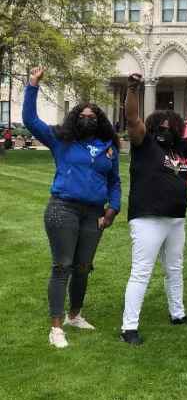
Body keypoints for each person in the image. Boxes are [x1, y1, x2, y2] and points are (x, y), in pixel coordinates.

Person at [22, 66, 121, 349]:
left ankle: (74, 315)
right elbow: (30, 119)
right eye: (82, 116)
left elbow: (115, 181)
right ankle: (55, 328)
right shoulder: (61, 139)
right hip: (63, 209)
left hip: (94, 214)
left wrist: (113, 208)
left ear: (100, 120)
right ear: (75, 118)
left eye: (93, 117)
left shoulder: (107, 147)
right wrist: (33, 85)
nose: (87, 120)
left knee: (83, 266)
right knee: (62, 265)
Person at [120, 73, 187, 345]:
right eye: (160, 124)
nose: (165, 127)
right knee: (141, 271)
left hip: (176, 218)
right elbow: (132, 118)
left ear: (177, 127)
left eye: (170, 124)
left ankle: (177, 313)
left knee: (175, 269)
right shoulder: (144, 143)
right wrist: (132, 89)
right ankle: (129, 327)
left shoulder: (181, 148)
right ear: (153, 126)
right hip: (147, 217)